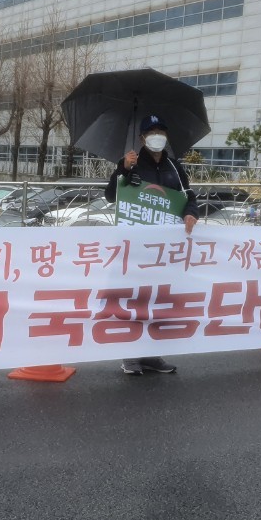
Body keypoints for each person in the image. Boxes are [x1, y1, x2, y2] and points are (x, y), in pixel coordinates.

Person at [104, 115, 199, 376]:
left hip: (164, 247)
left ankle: (151, 354)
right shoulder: (131, 162)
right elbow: (111, 196)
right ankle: (130, 354)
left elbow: (188, 196)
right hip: (136, 246)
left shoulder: (174, 167)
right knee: (136, 298)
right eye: (152, 131)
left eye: (161, 131)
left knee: (159, 299)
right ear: (142, 138)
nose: (157, 136)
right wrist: (123, 169)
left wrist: (191, 213)